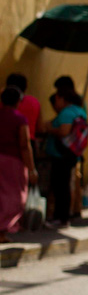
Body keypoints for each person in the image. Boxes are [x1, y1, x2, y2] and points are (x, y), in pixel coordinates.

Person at [43, 89, 87, 228]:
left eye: (56, 99)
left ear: (62, 98)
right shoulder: (80, 110)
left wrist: (49, 128)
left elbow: (64, 131)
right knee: (64, 185)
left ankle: (61, 217)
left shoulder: (67, 112)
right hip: (72, 154)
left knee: (60, 186)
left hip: (62, 154)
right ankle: (63, 216)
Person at [0, 87, 38, 243]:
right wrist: (32, 169)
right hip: (13, 162)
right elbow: (25, 145)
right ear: (18, 102)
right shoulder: (19, 119)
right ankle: (2, 229)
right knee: (14, 197)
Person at [6, 73, 41, 139]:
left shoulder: (4, 104)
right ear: (25, 87)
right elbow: (40, 128)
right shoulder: (34, 102)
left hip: (7, 142)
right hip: (29, 139)